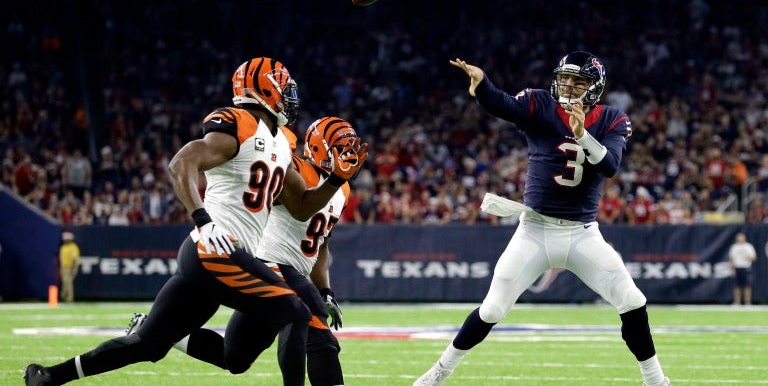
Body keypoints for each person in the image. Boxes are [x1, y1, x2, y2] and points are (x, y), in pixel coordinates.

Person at [24, 57, 367, 386]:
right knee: (294, 312)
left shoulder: (280, 142)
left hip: (217, 256)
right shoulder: (240, 123)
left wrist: (336, 179)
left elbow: (302, 207)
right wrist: (202, 218)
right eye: (284, 88)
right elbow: (181, 163)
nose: (290, 97)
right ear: (265, 90)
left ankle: (50, 376)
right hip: (216, 249)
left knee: (149, 344)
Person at [414, 52, 669, 386]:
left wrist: (582, 135)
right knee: (491, 310)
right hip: (534, 230)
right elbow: (503, 104)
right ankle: (439, 372)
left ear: (594, 88)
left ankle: (656, 382)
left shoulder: (612, 119)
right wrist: (482, 85)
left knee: (633, 301)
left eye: (578, 81)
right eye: (565, 78)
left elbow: (610, 166)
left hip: (582, 234)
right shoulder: (540, 104)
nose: (568, 85)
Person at [128, 117, 358, 386]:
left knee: (235, 358)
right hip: (271, 264)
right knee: (319, 333)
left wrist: (325, 291)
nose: (348, 156)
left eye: (350, 149)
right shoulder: (293, 168)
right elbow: (277, 185)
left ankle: (157, 332)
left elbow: (321, 245)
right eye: (341, 149)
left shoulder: (342, 188)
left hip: (288, 275)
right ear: (319, 148)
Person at [728, 232, 757, 306]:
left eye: (741, 237)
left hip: (746, 268)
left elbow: (754, 258)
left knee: (747, 286)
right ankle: (737, 302)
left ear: (744, 238)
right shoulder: (734, 247)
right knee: (737, 286)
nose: (740, 238)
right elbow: (731, 259)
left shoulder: (749, 246)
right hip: (737, 267)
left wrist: (748, 257)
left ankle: (747, 302)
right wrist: (733, 269)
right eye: (738, 237)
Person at [58, 230, 80, 303]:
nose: (65, 240)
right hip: (63, 267)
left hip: (70, 267)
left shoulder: (73, 247)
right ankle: (64, 296)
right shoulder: (63, 247)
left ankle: (69, 298)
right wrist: (60, 268)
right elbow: (61, 258)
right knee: (65, 282)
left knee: (68, 282)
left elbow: (75, 258)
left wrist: (74, 267)